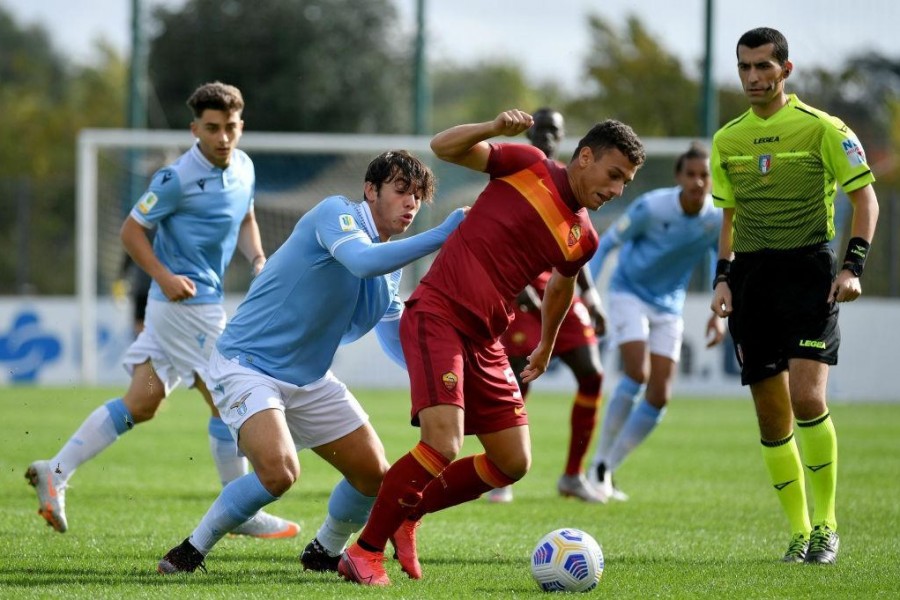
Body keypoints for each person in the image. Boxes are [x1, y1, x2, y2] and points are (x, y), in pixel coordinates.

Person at [339, 109, 645, 586]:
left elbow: (563, 287)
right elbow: (444, 147)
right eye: (614, 175)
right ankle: (364, 551)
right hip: (439, 313)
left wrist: (545, 345)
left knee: (512, 461)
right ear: (585, 157)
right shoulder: (527, 164)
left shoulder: (582, 237)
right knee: (442, 443)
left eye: (626, 182)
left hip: (486, 338)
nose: (617, 190)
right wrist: (492, 129)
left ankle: (407, 513)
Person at [156, 150, 468, 574]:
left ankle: (324, 550)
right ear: (370, 190)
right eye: (401, 191)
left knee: (374, 478)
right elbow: (360, 261)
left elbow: (396, 338)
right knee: (281, 472)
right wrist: (443, 235)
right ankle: (191, 549)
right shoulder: (336, 214)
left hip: (311, 379)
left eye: (418, 196)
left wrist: (440, 380)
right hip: (248, 364)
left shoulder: (392, 268)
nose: (411, 203)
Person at [26, 81, 296, 538]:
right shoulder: (175, 178)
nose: (222, 137)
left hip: (185, 309)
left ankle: (56, 468)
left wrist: (257, 257)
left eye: (230, 127)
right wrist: (164, 276)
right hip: (186, 307)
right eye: (212, 128)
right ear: (195, 129)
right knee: (229, 397)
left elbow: (247, 217)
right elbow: (132, 231)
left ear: (241, 125)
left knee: (143, 401)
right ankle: (240, 509)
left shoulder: (245, 168)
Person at [710, 27, 879, 565]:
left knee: (808, 399)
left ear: (787, 69)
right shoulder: (727, 140)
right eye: (744, 68)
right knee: (771, 417)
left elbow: (866, 201)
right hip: (751, 281)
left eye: (763, 66)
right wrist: (721, 278)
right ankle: (798, 531)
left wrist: (853, 267)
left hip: (809, 274)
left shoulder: (823, 129)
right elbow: (729, 220)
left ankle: (827, 526)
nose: (754, 77)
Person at [585, 142, 724, 501]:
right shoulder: (652, 206)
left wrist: (716, 313)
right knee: (637, 373)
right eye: (691, 174)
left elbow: (720, 263)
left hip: (668, 307)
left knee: (660, 395)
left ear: (712, 179)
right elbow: (607, 243)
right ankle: (598, 463)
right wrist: (589, 295)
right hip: (628, 292)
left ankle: (608, 468)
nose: (697, 181)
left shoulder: (716, 219)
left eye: (704, 175)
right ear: (679, 177)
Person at [490, 107, 607, 503]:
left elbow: (578, 242)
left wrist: (592, 297)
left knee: (592, 373)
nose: (545, 135)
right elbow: (497, 234)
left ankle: (572, 475)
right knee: (521, 382)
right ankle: (504, 473)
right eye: (539, 129)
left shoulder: (570, 180)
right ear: (529, 133)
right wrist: (518, 287)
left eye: (552, 130)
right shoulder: (516, 172)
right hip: (520, 290)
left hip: (562, 286)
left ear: (561, 137)